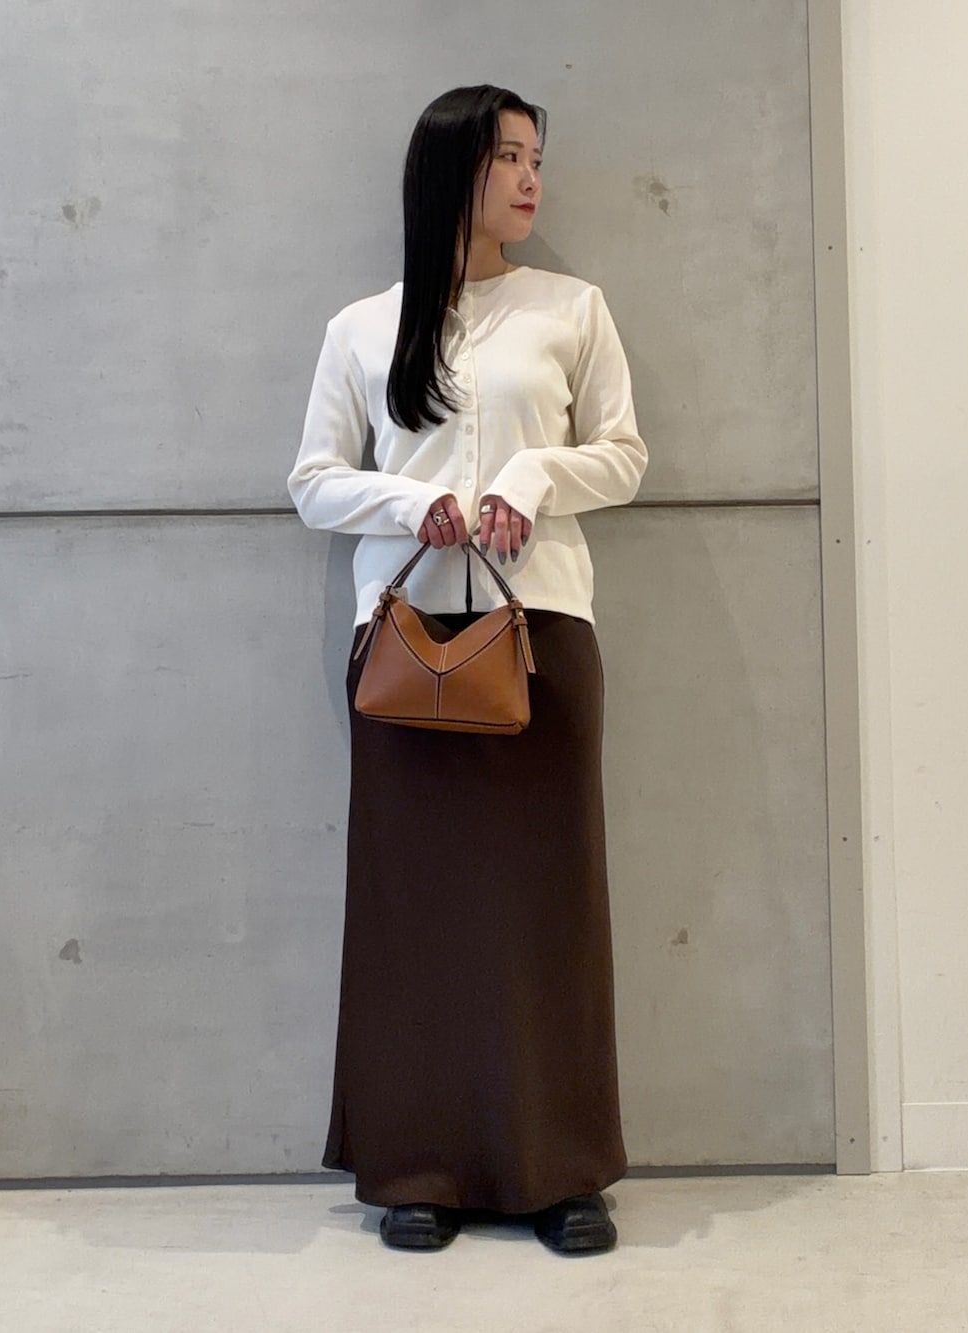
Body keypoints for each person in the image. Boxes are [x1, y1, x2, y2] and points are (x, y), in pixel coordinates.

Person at [287, 84, 647, 1254]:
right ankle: (418, 1168)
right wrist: (415, 503)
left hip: (540, 638)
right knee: (414, 913)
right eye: (509, 158)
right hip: (405, 650)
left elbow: (624, 455)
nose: (533, 178)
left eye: (538, 157)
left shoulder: (572, 309)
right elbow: (312, 481)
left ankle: (561, 1173)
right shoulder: (362, 327)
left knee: (550, 906)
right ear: (454, 169)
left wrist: (532, 479)